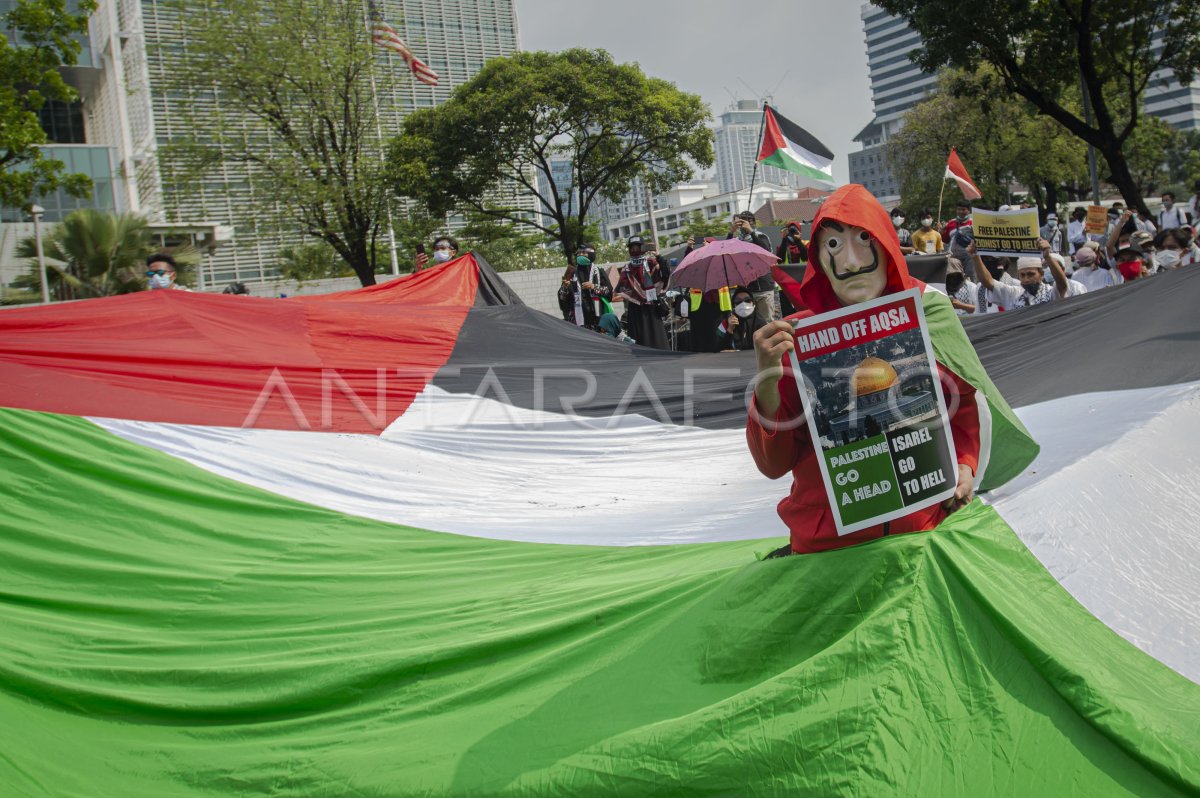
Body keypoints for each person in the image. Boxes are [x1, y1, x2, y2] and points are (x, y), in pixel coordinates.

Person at [747, 184, 990, 555]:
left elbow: (962, 407)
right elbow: (773, 465)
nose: (851, 262)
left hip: (923, 534)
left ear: (887, 245)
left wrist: (964, 466)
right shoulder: (793, 340)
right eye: (834, 246)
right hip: (828, 549)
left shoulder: (929, 315)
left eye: (864, 240)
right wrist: (767, 380)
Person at [970, 238, 1071, 309]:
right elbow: (987, 282)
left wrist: (1047, 256)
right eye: (1022, 275)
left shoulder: (1050, 293)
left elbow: (1062, 284)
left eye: (1031, 274)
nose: (1026, 279)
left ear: (1041, 274)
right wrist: (975, 257)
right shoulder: (1014, 295)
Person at [614, 235, 670, 350]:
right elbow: (621, 288)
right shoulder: (626, 268)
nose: (634, 250)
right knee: (638, 344)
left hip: (652, 307)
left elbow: (665, 275)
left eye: (638, 247)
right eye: (632, 247)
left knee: (657, 342)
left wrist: (659, 257)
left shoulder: (652, 263)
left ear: (643, 248)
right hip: (636, 309)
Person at [726, 211, 777, 321]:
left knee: (766, 322)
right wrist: (731, 232)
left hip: (764, 287)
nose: (743, 224)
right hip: (747, 290)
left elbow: (766, 252)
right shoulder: (737, 241)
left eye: (747, 220)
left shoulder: (760, 236)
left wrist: (751, 232)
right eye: (741, 221)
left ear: (752, 222)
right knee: (749, 323)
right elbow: (725, 252)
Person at [557, 244, 612, 329]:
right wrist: (565, 287)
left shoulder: (599, 272)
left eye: (584, 252)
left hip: (597, 320)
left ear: (591, 254)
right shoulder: (572, 273)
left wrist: (594, 287)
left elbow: (609, 292)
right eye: (578, 253)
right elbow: (562, 300)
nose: (580, 255)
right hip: (577, 322)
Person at [715, 286, 766, 351]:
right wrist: (730, 329)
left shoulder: (761, 323)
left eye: (747, 300)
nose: (743, 304)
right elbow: (717, 346)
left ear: (753, 303)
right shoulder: (725, 323)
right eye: (738, 301)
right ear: (733, 305)